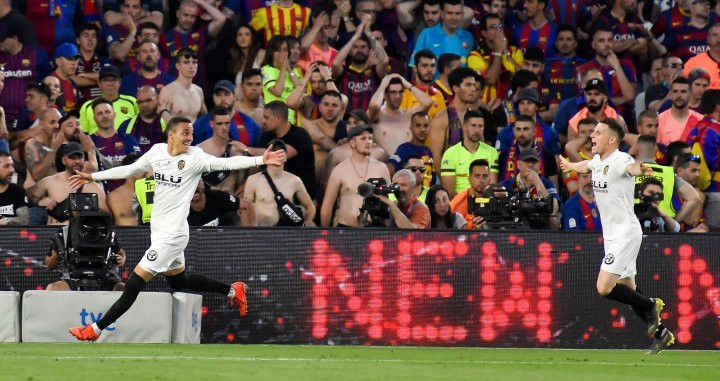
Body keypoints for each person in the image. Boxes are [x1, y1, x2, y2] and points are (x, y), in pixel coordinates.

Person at [67, 116, 286, 342]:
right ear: (171, 135)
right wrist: (91, 176)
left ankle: (95, 328)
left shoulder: (195, 158)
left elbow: (227, 164)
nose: (190, 138)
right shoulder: (157, 152)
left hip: (173, 236)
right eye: (185, 133)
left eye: (191, 133)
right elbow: (130, 170)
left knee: (133, 284)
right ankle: (232, 291)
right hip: (160, 232)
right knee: (179, 282)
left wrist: (261, 159)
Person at [559, 119, 674, 355]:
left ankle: (652, 303)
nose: (592, 136)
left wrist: (641, 169)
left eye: (598, 132)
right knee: (628, 289)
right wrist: (569, 164)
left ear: (612, 139)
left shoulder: (621, 159)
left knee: (604, 287)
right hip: (613, 236)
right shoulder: (599, 161)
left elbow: (631, 169)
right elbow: (585, 166)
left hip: (625, 234)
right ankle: (662, 334)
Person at [321, 125, 391, 227]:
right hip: (346, 230)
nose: (368, 142)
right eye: (363, 139)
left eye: (370, 138)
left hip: (376, 229)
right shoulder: (339, 170)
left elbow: (392, 198)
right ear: (352, 143)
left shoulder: (382, 168)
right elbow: (327, 206)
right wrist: (324, 234)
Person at [28, 142, 109, 226]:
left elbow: (106, 216)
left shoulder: (95, 187)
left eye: (80, 157)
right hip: (53, 234)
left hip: (83, 235)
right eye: (72, 158)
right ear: (63, 160)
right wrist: (39, 202)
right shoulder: (49, 182)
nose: (77, 161)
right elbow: (25, 200)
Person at [244, 139, 315, 227]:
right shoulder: (253, 180)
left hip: (286, 232)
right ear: (266, 155)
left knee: (312, 225)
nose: (277, 155)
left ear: (285, 157)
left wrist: (304, 224)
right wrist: (248, 232)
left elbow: (310, 207)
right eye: (273, 152)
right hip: (262, 231)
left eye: (280, 152)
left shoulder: (295, 180)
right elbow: (244, 209)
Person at [368, 74, 432, 155]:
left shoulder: (410, 115)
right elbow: (374, 105)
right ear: (385, 94)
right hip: (385, 165)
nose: (397, 96)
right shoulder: (377, 116)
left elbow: (428, 103)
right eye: (393, 92)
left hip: (409, 165)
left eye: (400, 92)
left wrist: (408, 84)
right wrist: (383, 84)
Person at [440, 110, 499, 199]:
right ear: (464, 127)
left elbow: (492, 186)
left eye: (480, 126)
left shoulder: (492, 152)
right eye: (473, 126)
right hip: (458, 204)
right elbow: (449, 191)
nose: (477, 130)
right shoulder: (450, 154)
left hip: (485, 204)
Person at [158, 49, 207, 122]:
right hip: (175, 132)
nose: (191, 66)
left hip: (194, 133)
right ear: (178, 66)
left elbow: (205, 118)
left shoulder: (199, 91)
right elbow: (162, 121)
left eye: (194, 62)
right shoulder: (168, 91)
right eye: (186, 62)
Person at [450, 159, 493, 229]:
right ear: (469, 179)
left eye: (485, 176)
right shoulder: (457, 204)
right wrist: (471, 229)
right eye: (477, 176)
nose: (481, 180)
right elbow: (452, 233)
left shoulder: (497, 199)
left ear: (489, 179)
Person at [0, 150, 29, 225]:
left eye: (12, 165)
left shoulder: (17, 191)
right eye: (6, 166)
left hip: (11, 235)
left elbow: (24, 220)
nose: (12, 170)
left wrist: (5, 221)